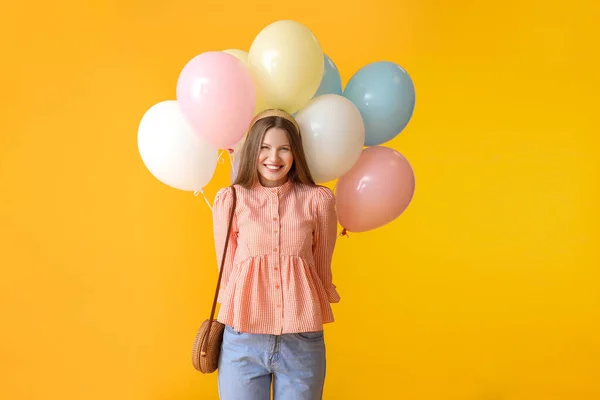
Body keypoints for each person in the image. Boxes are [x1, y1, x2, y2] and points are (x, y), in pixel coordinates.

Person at [212, 108, 340, 400]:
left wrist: (324, 295)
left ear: (296, 154)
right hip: (243, 337)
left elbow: (322, 267)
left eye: (284, 149)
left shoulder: (318, 200)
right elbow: (227, 269)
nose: (274, 158)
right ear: (252, 150)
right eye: (264, 148)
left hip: (301, 339)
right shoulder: (231, 200)